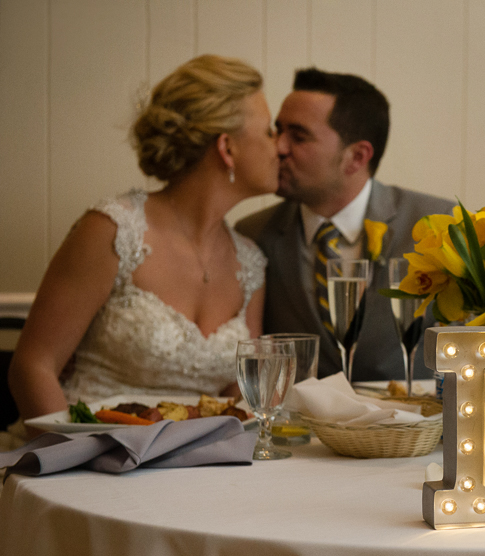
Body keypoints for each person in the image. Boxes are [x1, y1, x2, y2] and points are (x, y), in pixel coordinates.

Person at [10, 54, 276, 420]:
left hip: (194, 466)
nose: (280, 147)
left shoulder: (250, 262)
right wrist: (75, 460)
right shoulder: (114, 231)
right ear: (227, 148)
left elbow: (237, 397)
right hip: (88, 456)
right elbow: (31, 368)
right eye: (270, 131)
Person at [235, 69, 454, 382]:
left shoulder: (438, 226)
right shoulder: (253, 234)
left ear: (356, 156)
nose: (278, 147)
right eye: (276, 131)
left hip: (409, 425)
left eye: (298, 136)